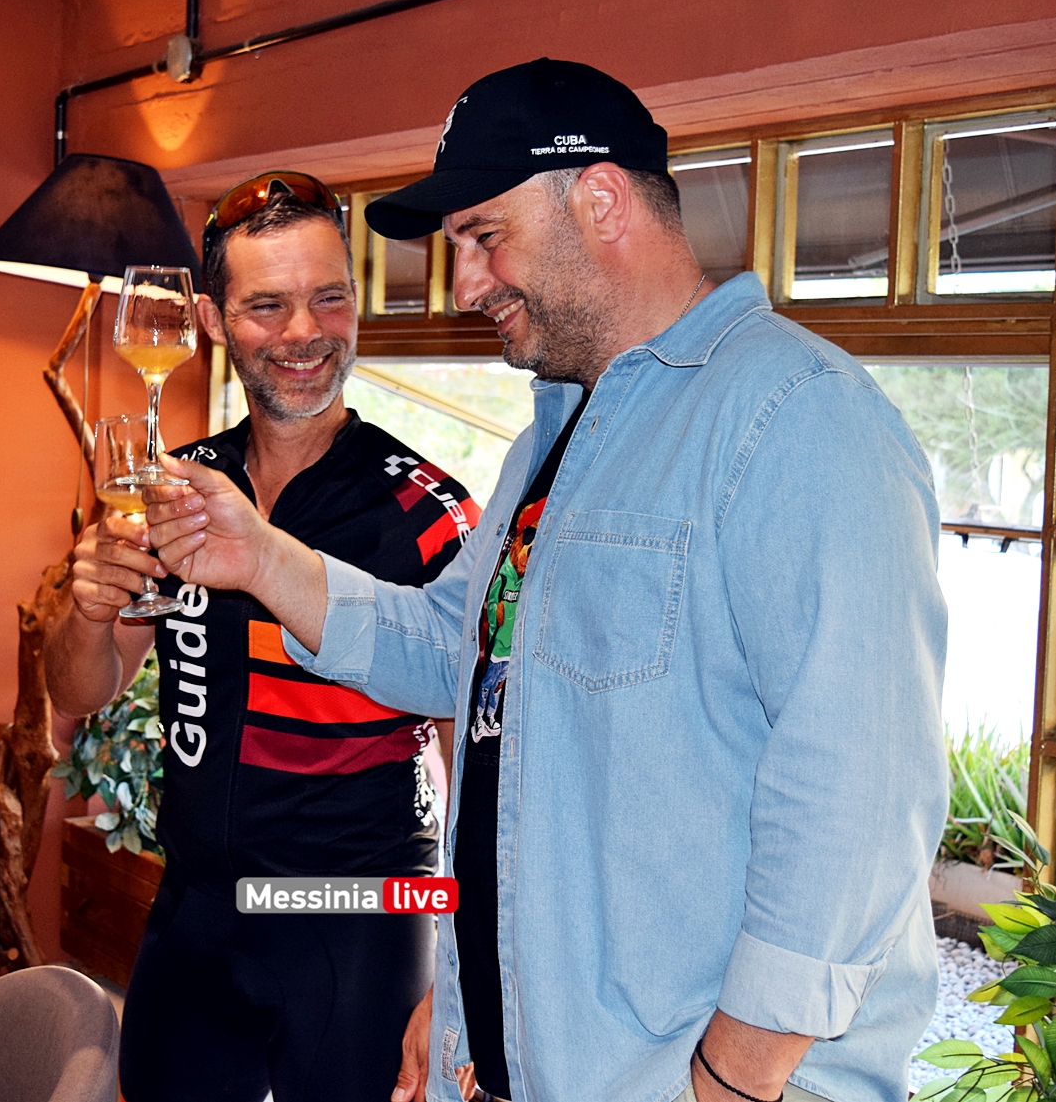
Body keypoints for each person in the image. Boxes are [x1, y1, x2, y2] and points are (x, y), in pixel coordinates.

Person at [142, 61, 947, 1102]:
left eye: (485, 236)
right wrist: (257, 555)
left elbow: (861, 796)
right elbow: (451, 650)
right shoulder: (554, 439)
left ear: (600, 201)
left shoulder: (798, 416)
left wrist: (729, 1080)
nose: (466, 283)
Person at [45, 171, 483, 1102]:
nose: (305, 333)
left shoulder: (430, 515)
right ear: (211, 319)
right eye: (268, 305)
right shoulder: (178, 488)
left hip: (360, 919)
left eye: (330, 297)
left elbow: (480, 766)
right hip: (196, 907)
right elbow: (79, 692)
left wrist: (457, 969)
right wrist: (85, 608)